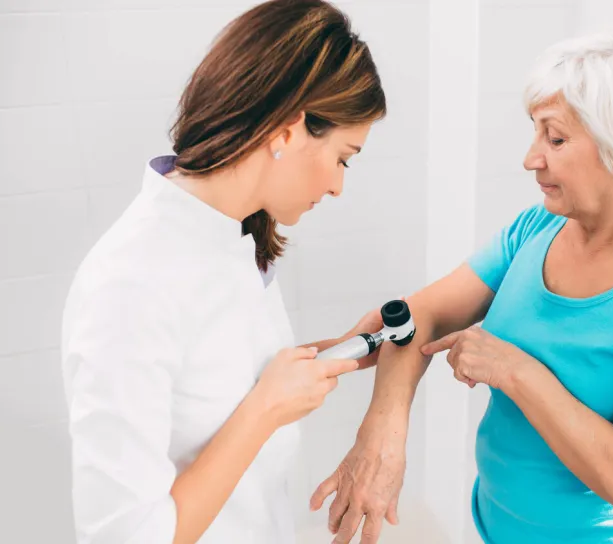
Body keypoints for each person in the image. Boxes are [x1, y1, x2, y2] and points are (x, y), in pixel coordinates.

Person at [312, 31, 613, 543]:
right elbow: (419, 316)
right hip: (496, 527)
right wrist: (382, 436)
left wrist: (517, 372)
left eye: (555, 139)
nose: (530, 159)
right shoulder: (534, 231)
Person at [60, 1, 388, 543]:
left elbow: (213, 382)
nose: (337, 186)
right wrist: (265, 410)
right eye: (343, 157)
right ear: (287, 132)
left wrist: (342, 352)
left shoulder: (231, 235)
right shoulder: (129, 287)